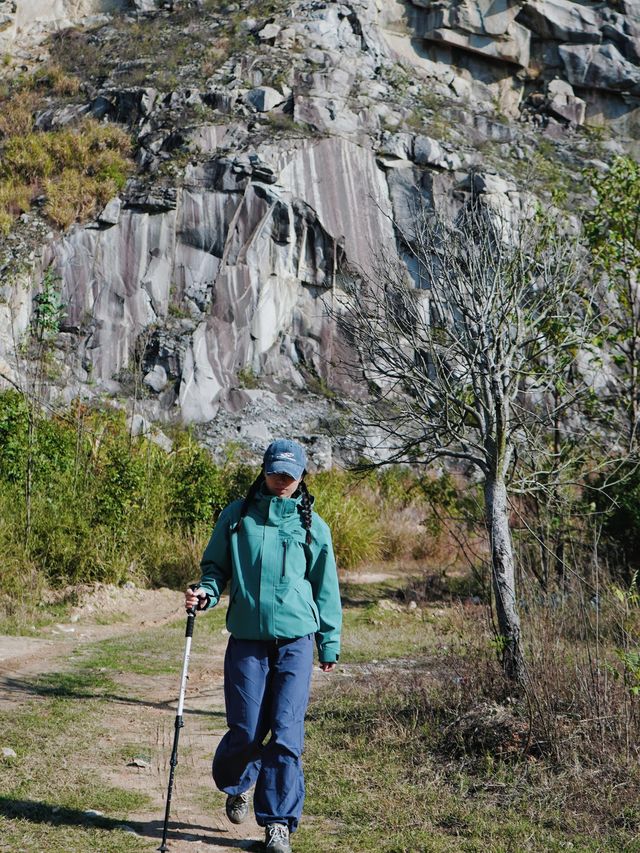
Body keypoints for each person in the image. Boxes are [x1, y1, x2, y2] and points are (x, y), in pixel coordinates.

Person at [185, 438, 342, 853]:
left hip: (296, 640)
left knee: (287, 734)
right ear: (264, 469)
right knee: (246, 730)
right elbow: (215, 568)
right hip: (247, 641)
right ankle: (238, 783)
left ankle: (278, 824)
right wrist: (206, 592)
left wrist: (329, 642)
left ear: (301, 476)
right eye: (275, 472)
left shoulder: (313, 526)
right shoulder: (237, 518)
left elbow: (325, 587)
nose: (280, 480)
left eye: (289, 475)